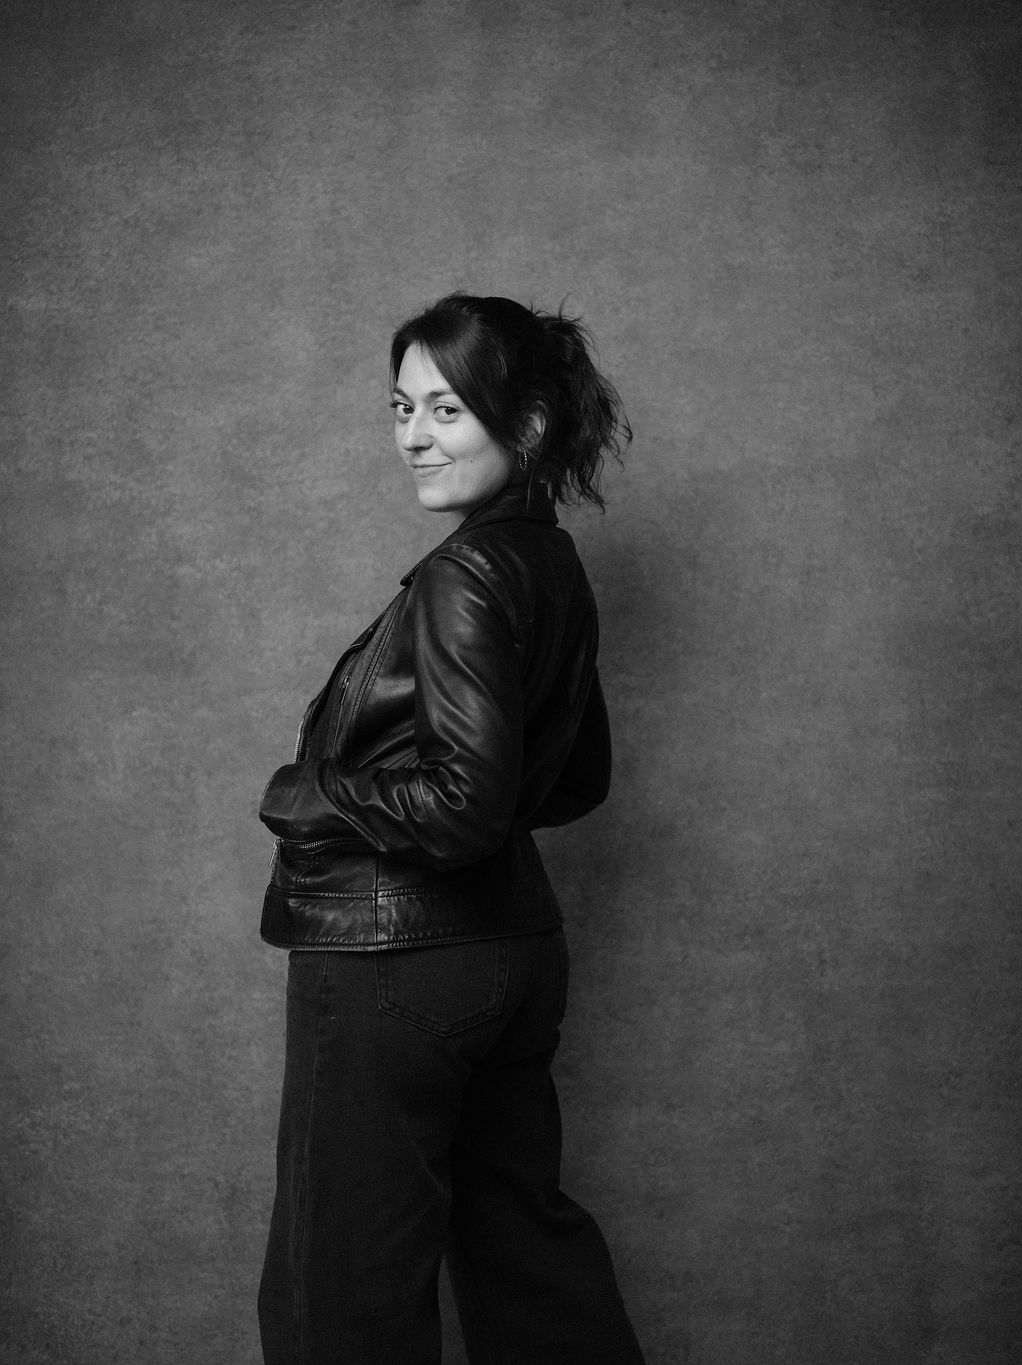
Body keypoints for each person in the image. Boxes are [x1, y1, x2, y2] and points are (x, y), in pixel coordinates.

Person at [256, 292, 645, 1365]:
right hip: (511, 954)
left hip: (396, 965)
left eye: (447, 410)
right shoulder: (547, 563)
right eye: (402, 407)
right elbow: (578, 778)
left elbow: (466, 804)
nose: (414, 437)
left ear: (526, 426)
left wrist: (315, 794)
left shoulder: (464, 574)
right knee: (527, 1263)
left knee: (342, 1288)